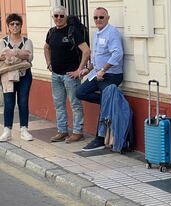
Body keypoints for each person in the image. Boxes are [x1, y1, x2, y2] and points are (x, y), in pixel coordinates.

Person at [76, 6, 124, 152]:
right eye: (95, 18)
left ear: (107, 18)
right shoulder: (96, 34)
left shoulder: (112, 32)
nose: (98, 20)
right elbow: (97, 57)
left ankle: (100, 139)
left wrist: (104, 69)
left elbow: (118, 54)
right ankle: (106, 101)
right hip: (97, 74)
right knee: (80, 92)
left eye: (101, 17)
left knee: (104, 105)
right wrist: (87, 69)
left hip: (111, 75)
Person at [44, 6, 90, 143]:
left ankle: (77, 132)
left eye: (61, 16)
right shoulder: (51, 32)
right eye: (56, 16)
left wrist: (79, 70)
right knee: (59, 104)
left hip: (70, 76)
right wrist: (48, 63)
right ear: (53, 17)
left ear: (66, 17)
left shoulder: (73, 32)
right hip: (56, 75)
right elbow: (46, 47)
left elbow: (86, 51)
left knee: (75, 104)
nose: (58, 18)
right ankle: (62, 131)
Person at [0, 14, 34, 142]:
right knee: (8, 103)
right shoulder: (3, 41)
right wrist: (20, 54)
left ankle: (24, 129)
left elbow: (29, 57)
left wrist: (12, 53)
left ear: (21, 26)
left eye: (17, 24)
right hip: (8, 76)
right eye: (12, 24)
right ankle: (7, 130)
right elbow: (1, 56)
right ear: (8, 26)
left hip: (25, 75)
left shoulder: (27, 41)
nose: (15, 26)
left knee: (23, 102)